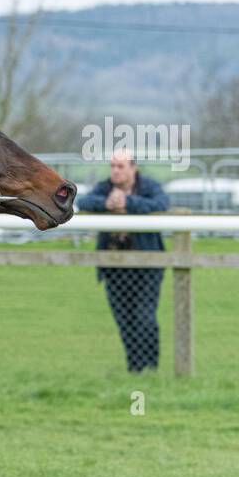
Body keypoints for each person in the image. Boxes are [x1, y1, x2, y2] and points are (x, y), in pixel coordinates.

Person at [77, 150, 171, 371]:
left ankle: (151, 366)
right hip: (114, 265)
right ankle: (135, 368)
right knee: (125, 321)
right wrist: (107, 204)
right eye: (112, 166)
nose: (115, 171)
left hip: (147, 265)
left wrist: (128, 202)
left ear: (133, 168)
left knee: (144, 317)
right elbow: (84, 201)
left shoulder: (148, 186)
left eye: (120, 166)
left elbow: (161, 203)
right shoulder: (105, 188)